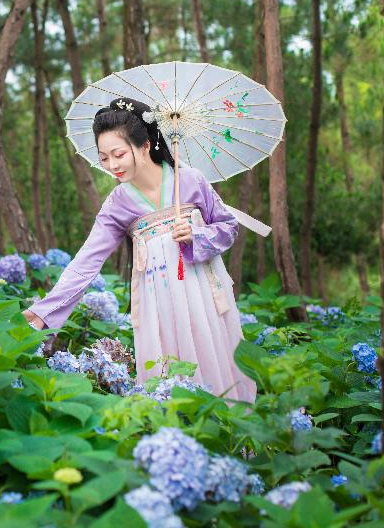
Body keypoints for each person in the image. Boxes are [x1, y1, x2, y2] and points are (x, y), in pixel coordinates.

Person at [22, 97, 259, 403]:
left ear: (146, 144)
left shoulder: (191, 181)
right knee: (168, 382)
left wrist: (198, 235)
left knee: (217, 371)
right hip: (157, 306)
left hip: (205, 298)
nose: (112, 166)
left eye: (118, 154)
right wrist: (44, 312)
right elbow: (86, 263)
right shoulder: (118, 204)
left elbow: (228, 227)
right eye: (104, 158)